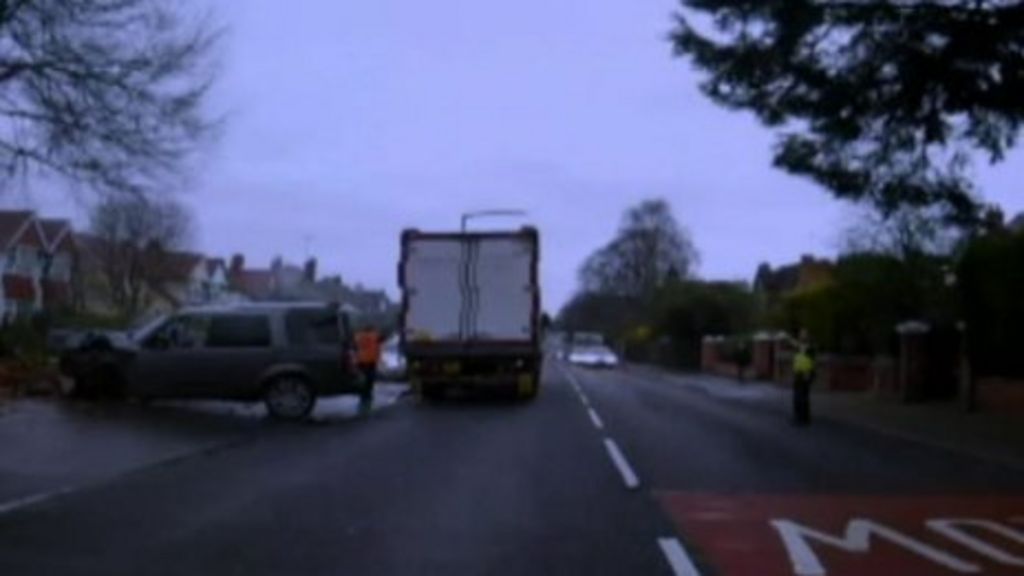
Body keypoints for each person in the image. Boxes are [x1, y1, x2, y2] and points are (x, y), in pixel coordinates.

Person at [354, 326, 382, 411]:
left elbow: (355, 347)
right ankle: (368, 395)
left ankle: (362, 395)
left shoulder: (358, 336)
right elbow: (379, 342)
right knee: (370, 379)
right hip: (371, 360)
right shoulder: (375, 336)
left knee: (362, 379)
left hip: (361, 360)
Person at [791, 331, 816, 426]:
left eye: (804, 335)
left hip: (806, 373)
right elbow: (796, 358)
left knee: (803, 396)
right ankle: (797, 416)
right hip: (798, 373)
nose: (801, 337)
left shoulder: (810, 348)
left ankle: (804, 417)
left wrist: (809, 373)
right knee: (796, 396)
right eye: (801, 335)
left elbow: (812, 361)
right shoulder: (798, 348)